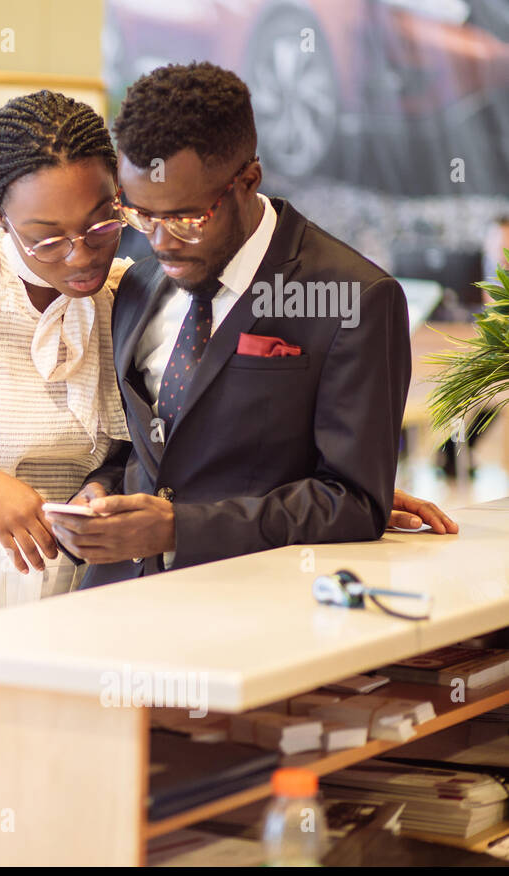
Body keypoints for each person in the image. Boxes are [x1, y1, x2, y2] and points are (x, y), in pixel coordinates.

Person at [0, 89, 453, 866]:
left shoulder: (132, 292)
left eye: (99, 223)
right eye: (44, 238)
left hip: (92, 601)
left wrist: (340, 488)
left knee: (70, 827)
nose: (79, 255)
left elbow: (168, 442)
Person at [48, 63, 459, 581]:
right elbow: (144, 447)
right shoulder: (137, 286)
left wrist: (181, 527)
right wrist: (102, 490)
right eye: (141, 215)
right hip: (111, 600)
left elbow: (354, 500)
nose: (161, 243)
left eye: (186, 218)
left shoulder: (354, 298)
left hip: (253, 610)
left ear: (248, 180)